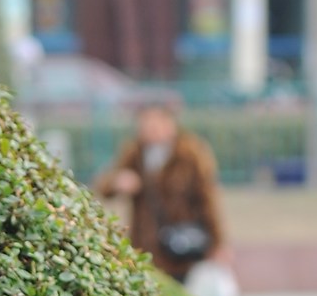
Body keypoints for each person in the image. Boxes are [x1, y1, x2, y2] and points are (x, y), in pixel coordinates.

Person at [95, 99, 227, 283]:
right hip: (145, 248)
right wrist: (118, 181)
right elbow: (104, 185)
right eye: (146, 123)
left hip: (183, 247)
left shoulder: (191, 153)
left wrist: (218, 243)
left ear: (170, 124)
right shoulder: (134, 153)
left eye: (156, 123)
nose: (151, 128)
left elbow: (208, 200)